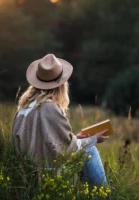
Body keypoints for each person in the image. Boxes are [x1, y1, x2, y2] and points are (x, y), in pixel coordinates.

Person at [11, 54, 109, 186]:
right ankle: (104, 194)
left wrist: (76, 138)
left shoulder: (22, 110)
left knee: (85, 147)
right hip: (46, 176)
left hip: (26, 175)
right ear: (61, 85)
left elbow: (48, 144)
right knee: (89, 150)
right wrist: (94, 139)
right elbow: (67, 149)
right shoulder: (50, 107)